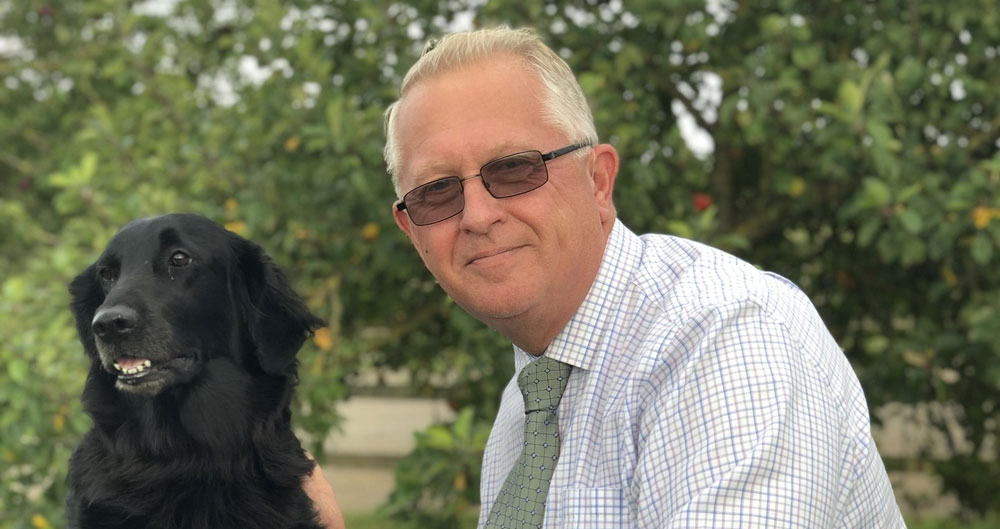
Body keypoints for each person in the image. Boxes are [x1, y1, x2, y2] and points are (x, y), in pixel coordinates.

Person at [311, 26, 907, 528]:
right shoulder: (526, 414)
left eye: (514, 169)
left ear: (598, 182)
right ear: (412, 231)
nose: (478, 215)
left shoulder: (725, 336)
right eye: (437, 192)